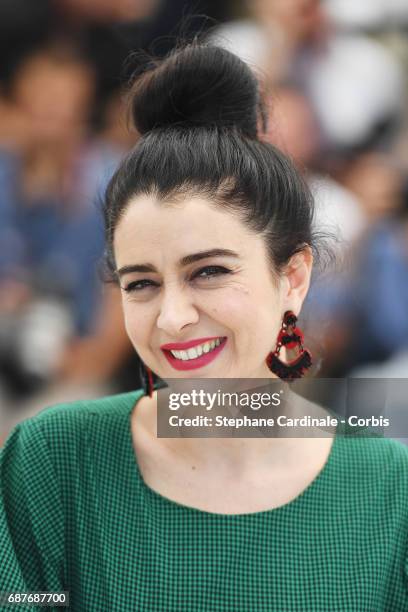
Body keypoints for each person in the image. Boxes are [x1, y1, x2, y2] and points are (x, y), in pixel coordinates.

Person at [0, 43, 407, 611]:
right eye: (140, 282)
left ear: (292, 277)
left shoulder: (392, 489)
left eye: (209, 272)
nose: (172, 318)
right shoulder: (55, 459)